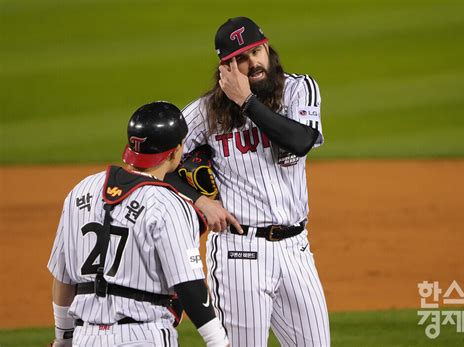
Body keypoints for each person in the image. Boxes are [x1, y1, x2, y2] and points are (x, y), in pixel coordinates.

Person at [178, 17, 331, 346]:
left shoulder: (298, 89)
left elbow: (301, 140)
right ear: (226, 69)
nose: (253, 63)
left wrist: (246, 102)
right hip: (239, 252)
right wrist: (199, 200)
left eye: (256, 52)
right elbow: (154, 162)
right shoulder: (206, 112)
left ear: (268, 48)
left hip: (296, 249)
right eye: (241, 59)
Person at [47, 101, 229, 347]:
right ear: (176, 151)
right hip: (143, 337)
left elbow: (63, 278)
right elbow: (190, 286)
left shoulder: (80, 191)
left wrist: (63, 338)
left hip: (85, 338)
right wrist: (219, 342)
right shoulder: (171, 204)